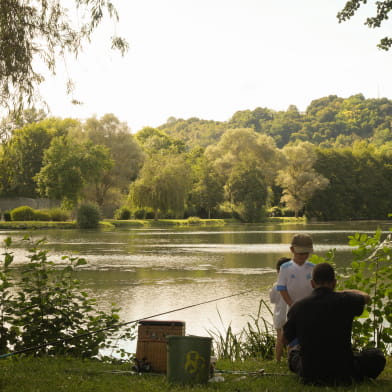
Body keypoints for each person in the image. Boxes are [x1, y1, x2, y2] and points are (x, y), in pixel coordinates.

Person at [283, 262, 386, 385]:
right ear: (334, 283)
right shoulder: (346, 300)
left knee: (293, 353)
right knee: (377, 355)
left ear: (312, 283)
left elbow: (285, 340)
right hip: (344, 371)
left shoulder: (298, 306)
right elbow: (366, 297)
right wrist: (343, 292)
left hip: (310, 373)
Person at [277, 234, 314, 307]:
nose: (303, 256)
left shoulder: (313, 268)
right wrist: (291, 304)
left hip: (310, 307)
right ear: (292, 250)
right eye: (300, 253)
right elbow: (282, 288)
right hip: (293, 308)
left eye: (306, 253)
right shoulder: (285, 268)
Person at [269, 256, 291, 362]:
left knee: (279, 339)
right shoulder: (294, 285)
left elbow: (272, 300)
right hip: (290, 316)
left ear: (278, 271)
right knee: (291, 340)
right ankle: (290, 360)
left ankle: (277, 360)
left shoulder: (276, 286)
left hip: (279, 317)